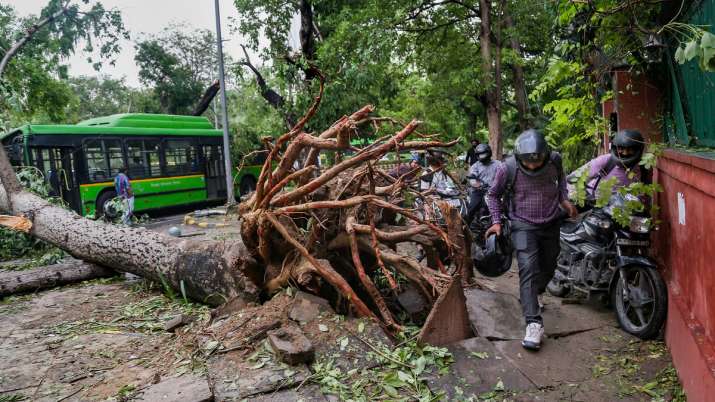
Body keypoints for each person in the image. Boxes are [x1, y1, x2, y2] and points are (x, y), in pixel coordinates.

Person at [485, 129, 577, 351]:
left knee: (549, 265)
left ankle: (536, 293)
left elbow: (561, 179)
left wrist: (564, 199)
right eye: (529, 162)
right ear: (520, 158)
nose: (534, 166)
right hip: (522, 224)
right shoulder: (507, 168)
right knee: (527, 268)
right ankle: (533, 324)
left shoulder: (554, 159)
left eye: (538, 161)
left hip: (551, 221)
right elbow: (492, 195)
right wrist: (496, 222)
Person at [568, 129, 648, 202]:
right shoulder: (606, 160)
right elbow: (574, 177)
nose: (625, 153)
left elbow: (641, 194)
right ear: (615, 148)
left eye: (630, 149)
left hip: (621, 209)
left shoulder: (642, 167)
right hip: (594, 202)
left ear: (638, 150)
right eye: (621, 149)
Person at [466, 143, 501, 226]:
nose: (482, 156)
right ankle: (465, 227)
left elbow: (505, 174)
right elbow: (472, 178)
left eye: (483, 154)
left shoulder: (498, 164)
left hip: (496, 190)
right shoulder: (475, 166)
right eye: (479, 155)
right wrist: (476, 184)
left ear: (489, 153)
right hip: (480, 191)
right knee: (472, 208)